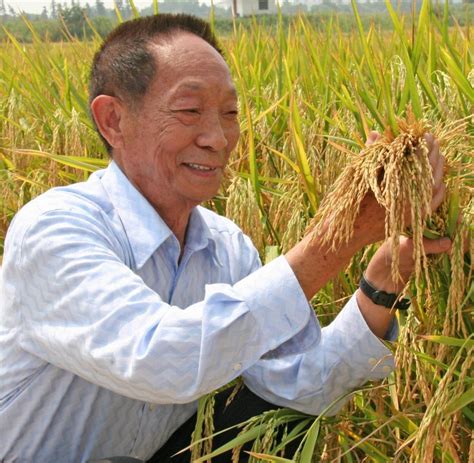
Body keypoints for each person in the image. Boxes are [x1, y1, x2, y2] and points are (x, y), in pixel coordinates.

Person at [0, 14, 450, 463]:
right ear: (113, 120)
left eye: (230, 113)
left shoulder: (226, 247)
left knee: (273, 420)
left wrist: (384, 279)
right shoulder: (54, 229)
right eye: (189, 111)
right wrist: (337, 238)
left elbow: (301, 385)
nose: (217, 138)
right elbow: (160, 360)